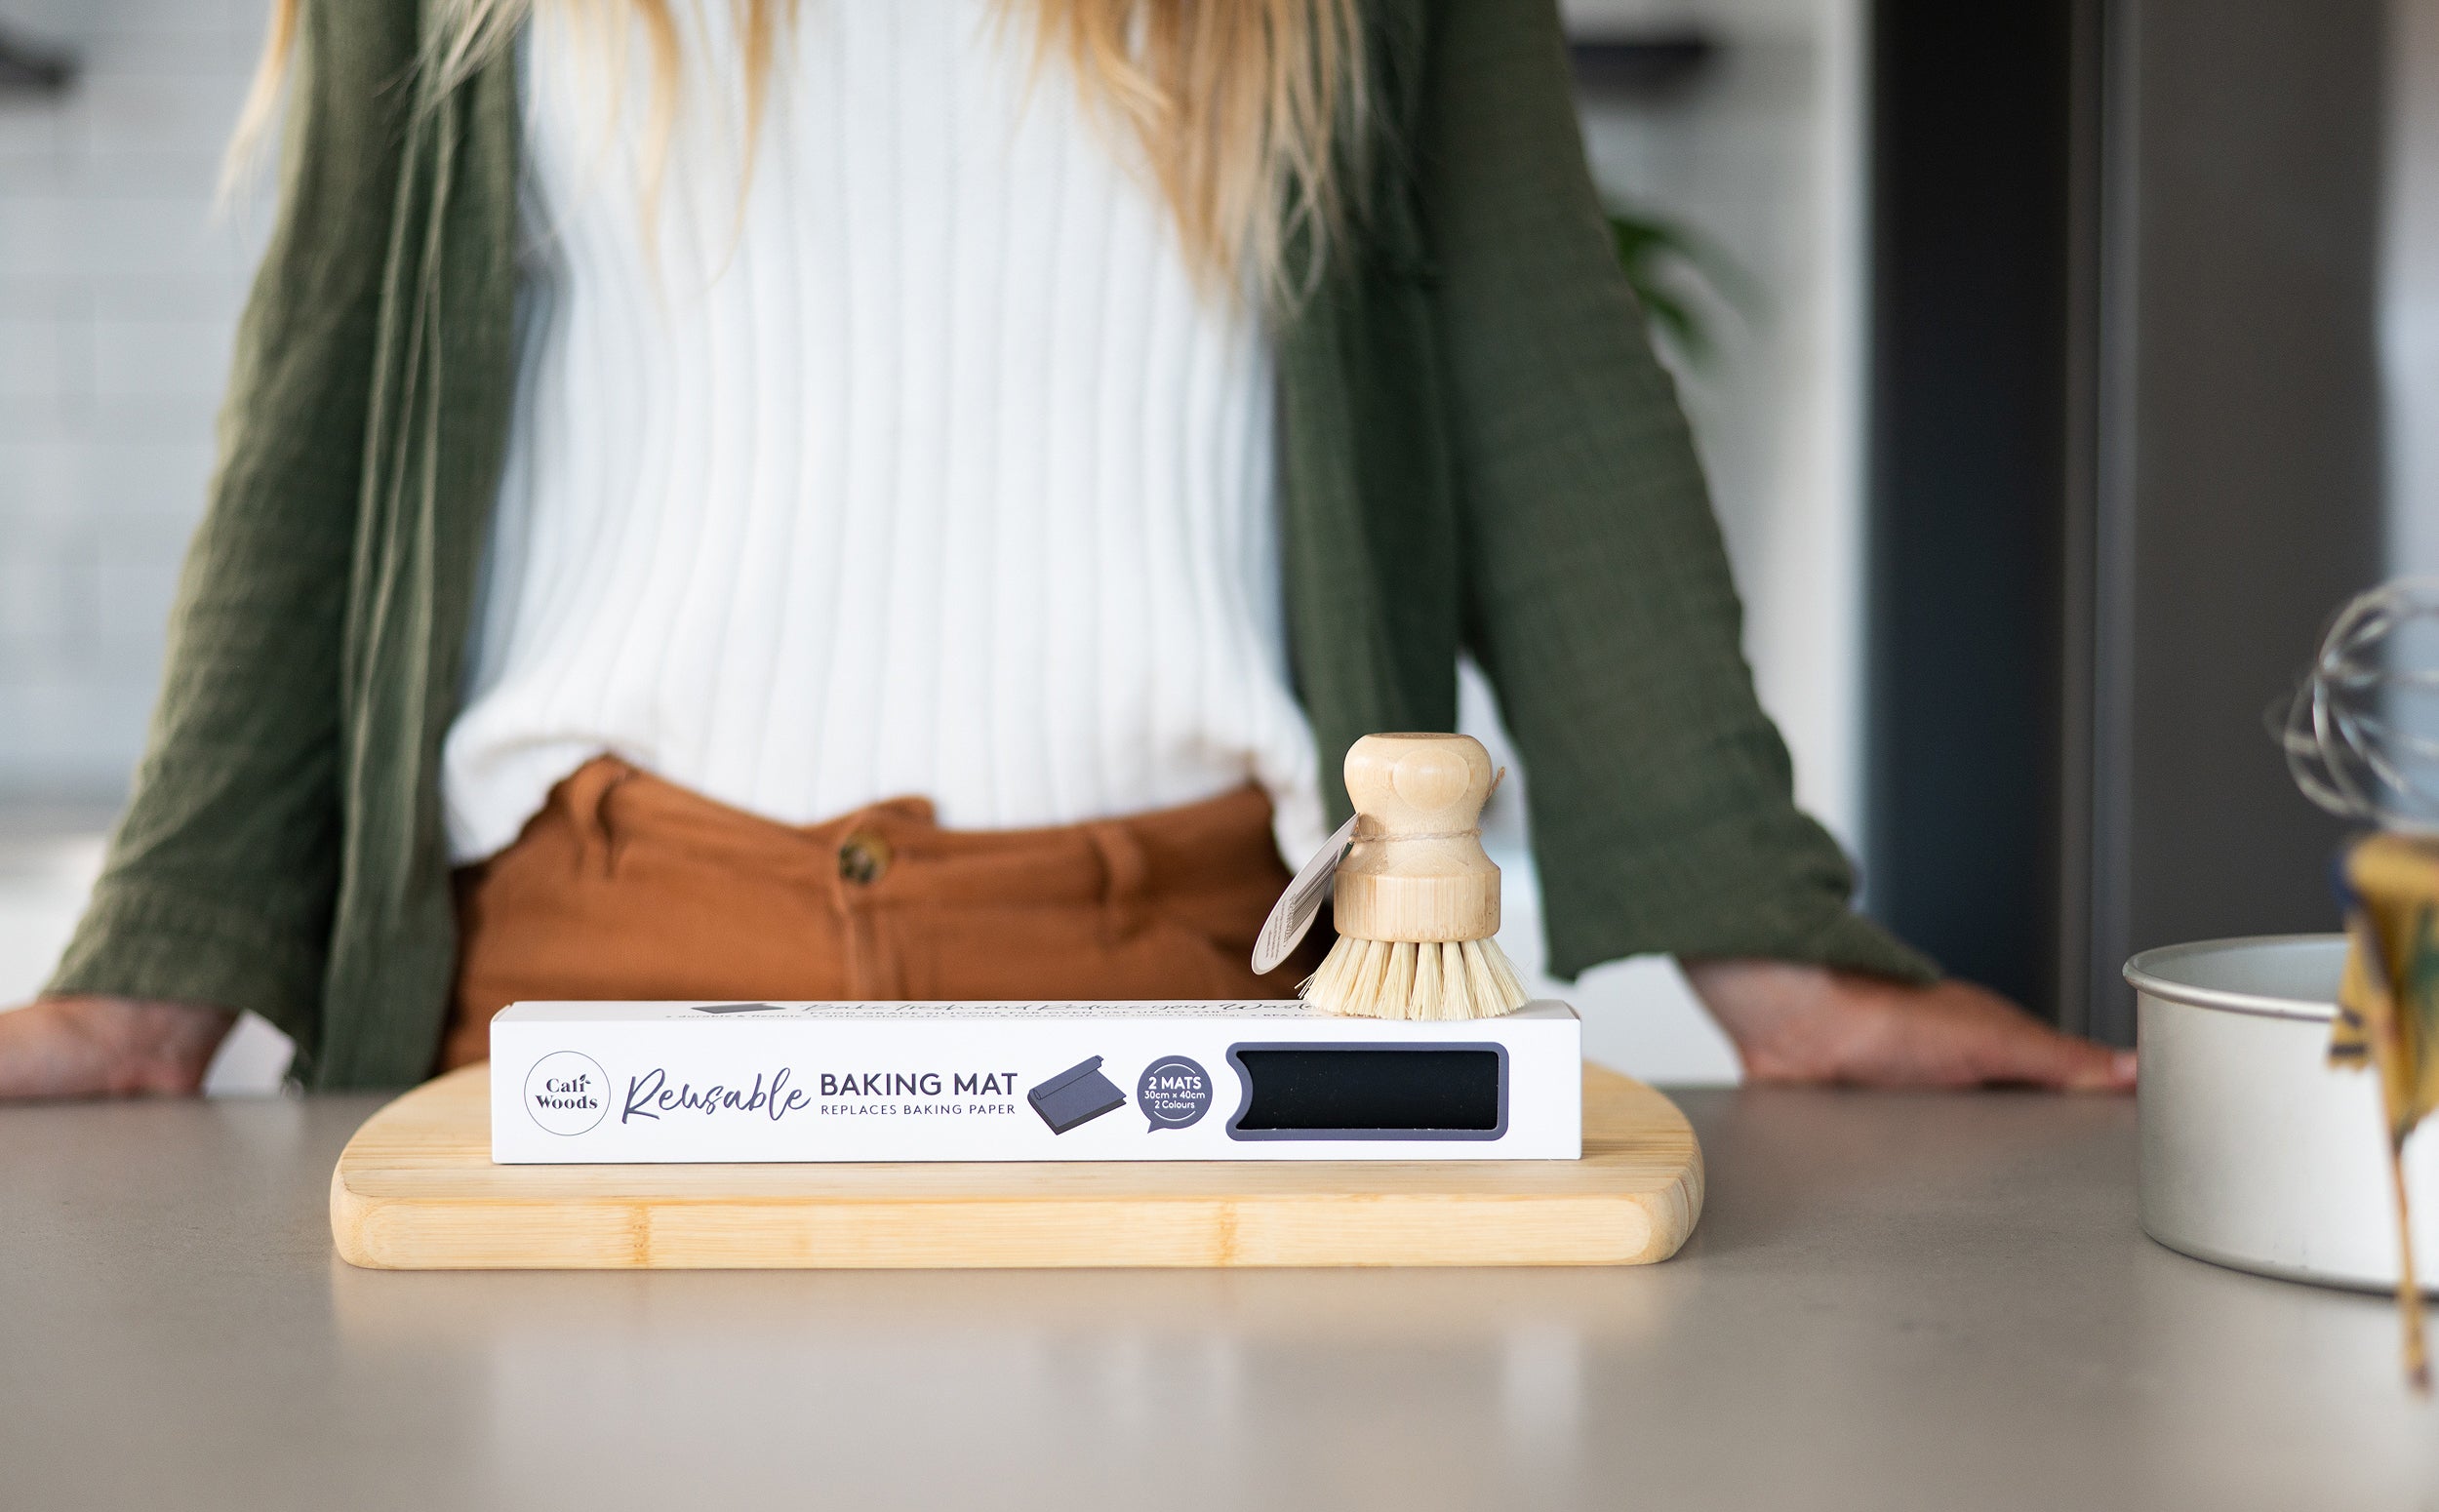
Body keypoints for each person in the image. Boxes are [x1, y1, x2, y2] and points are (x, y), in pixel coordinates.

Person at [0, 0, 2132, 1102]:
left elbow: (1535, 356)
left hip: (1203, 1008)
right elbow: (328, 383)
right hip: (591, 999)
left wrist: (1769, 950)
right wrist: (152, 968)